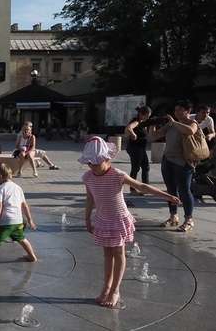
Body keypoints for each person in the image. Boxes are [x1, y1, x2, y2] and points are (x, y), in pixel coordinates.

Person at [79, 137, 180, 308]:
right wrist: (87, 218)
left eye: (96, 163)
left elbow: (141, 187)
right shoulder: (88, 177)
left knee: (119, 253)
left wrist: (166, 196)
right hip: (103, 220)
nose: (92, 166)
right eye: (89, 163)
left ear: (106, 158)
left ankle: (115, 290)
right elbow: (90, 199)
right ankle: (106, 287)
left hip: (118, 220)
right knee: (107, 254)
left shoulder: (117, 175)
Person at [153, 101, 199, 232]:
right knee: (171, 190)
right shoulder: (171, 124)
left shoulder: (192, 123)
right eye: (175, 110)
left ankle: (189, 219)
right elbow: (154, 136)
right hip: (168, 160)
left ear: (188, 111)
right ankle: (173, 216)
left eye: (180, 110)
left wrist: (173, 122)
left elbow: (190, 131)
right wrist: (152, 124)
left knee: (184, 191)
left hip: (183, 162)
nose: (176, 112)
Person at [124, 106, 152, 193]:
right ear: (141, 114)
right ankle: (133, 189)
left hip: (141, 148)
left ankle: (145, 188)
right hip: (135, 148)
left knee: (146, 167)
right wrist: (133, 134)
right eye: (147, 116)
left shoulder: (143, 122)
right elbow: (129, 128)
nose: (148, 118)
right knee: (135, 168)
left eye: (149, 116)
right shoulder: (136, 121)